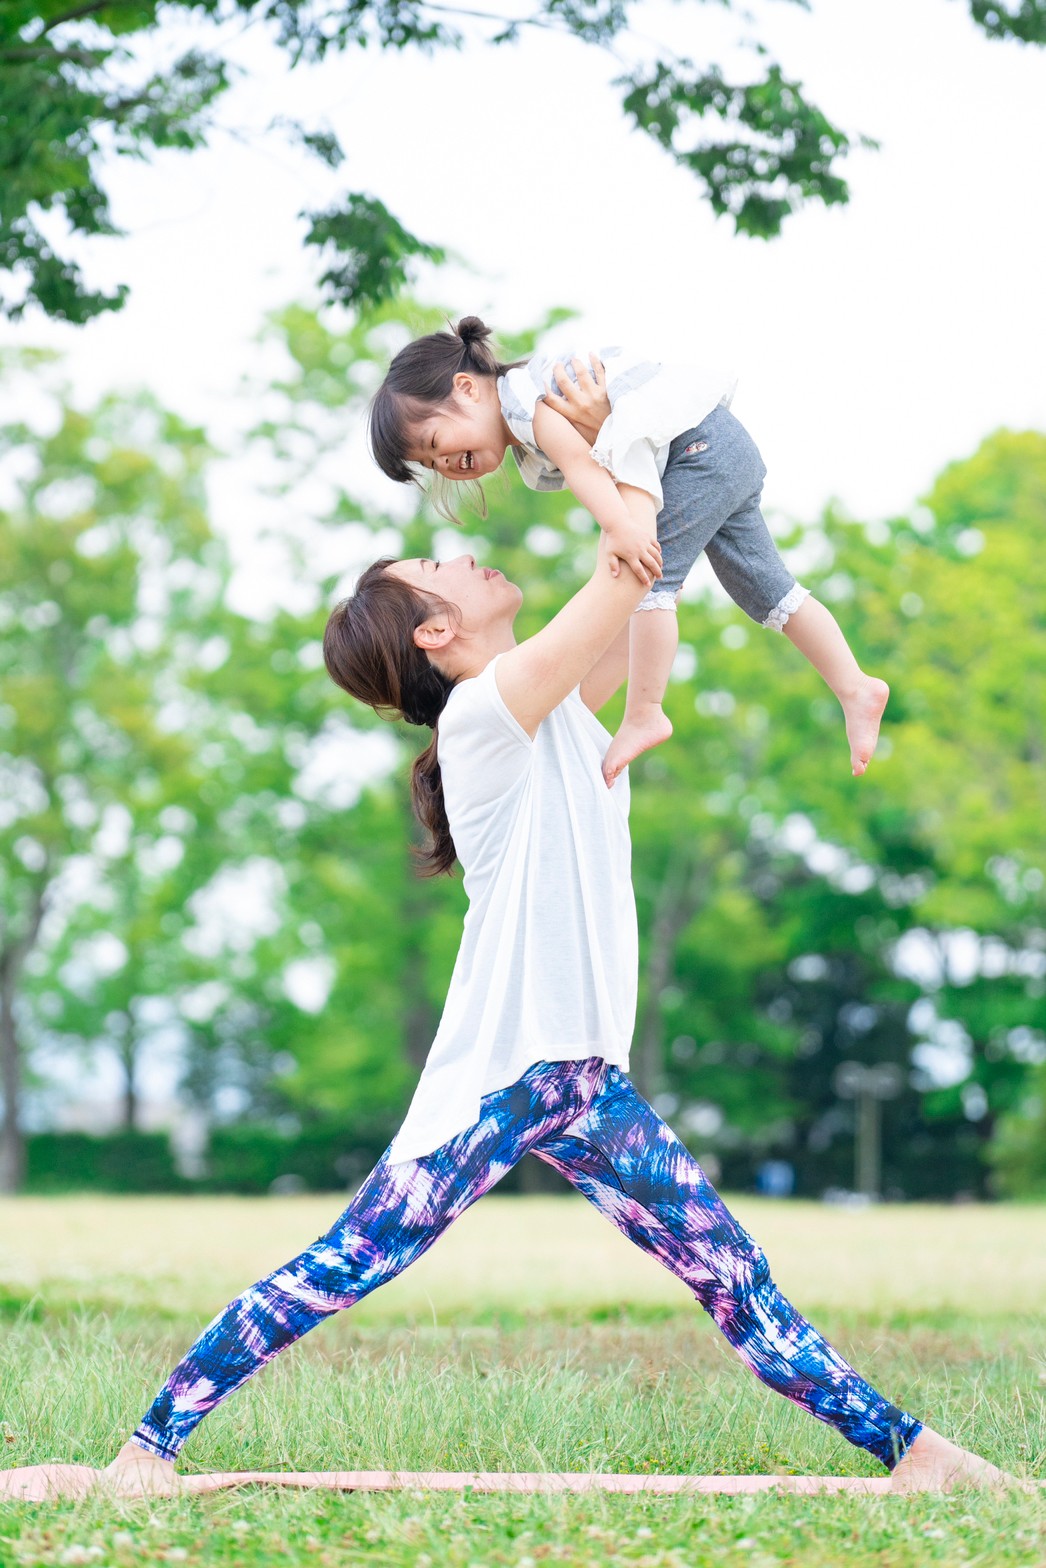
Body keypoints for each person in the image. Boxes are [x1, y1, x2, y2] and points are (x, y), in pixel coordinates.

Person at [103, 432, 1006, 1496]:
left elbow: (648, 572)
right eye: (436, 570)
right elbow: (622, 565)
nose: (463, 555)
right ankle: (144, 1450)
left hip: (584, 1080)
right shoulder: (486, 717)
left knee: (732, 1276)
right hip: (499, 1081)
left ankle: (916, 1454)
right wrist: (583, 449)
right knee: (345, 1264)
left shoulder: (567, 718)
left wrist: (667, 448)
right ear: (436, 632)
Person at [368, 320, 889, 785]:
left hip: (696, 453)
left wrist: (619, 528)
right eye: (432, 465)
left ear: (467, 389)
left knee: (645, 580)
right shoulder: (520, 422)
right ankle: (854, 686)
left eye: (437, 441)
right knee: (768, 591)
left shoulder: (524, 402)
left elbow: (581, 464)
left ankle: (645, 711)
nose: (447, 464)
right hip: (717, 448)